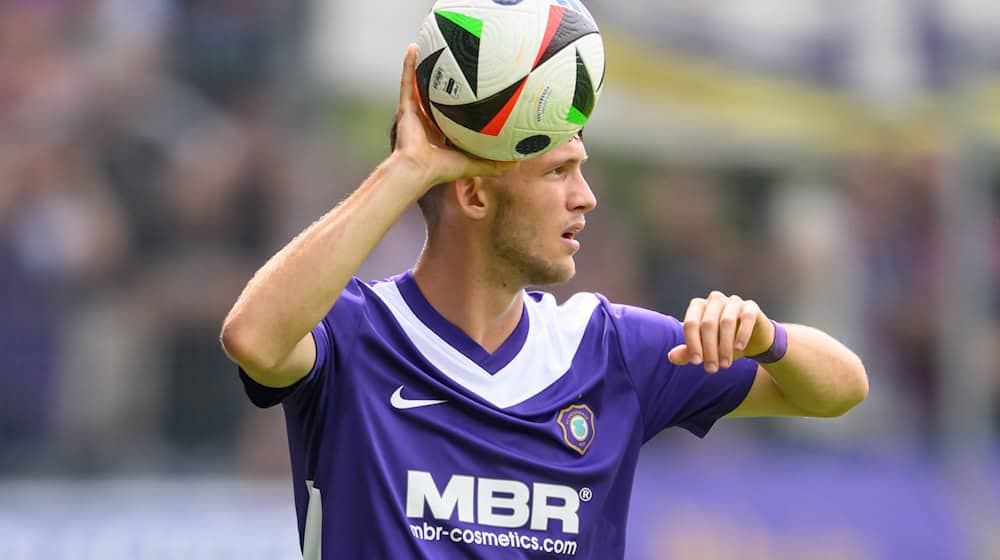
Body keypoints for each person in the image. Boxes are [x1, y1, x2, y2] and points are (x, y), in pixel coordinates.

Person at [220, 45, 868, 559]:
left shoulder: (612, 350)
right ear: (473, 195)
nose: (585, 197)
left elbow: (839, 389)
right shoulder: (353, 336)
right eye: (559, 172)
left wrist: (767, 339)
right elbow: (252, 338)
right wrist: (406, 170)